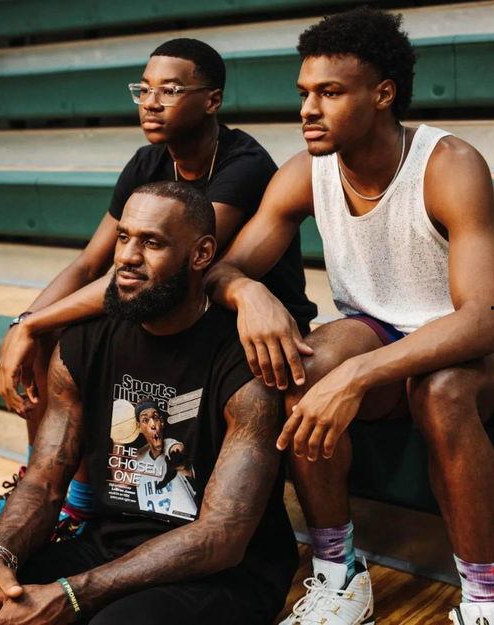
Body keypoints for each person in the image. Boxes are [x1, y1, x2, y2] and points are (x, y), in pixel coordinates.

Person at [203, 7, 494, 625]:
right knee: (303, 368)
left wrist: (357, 376)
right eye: (304, 93)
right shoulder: (305, 172)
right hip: (380, 332)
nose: (308, 109)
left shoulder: (448, 164)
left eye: (329, 93)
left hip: (464, 347)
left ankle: (484, 596)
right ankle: (339, 574)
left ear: (382, 94)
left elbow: (481, 320)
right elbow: (225, 270)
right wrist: (250, 294)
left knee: (440, 392)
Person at [0, 37, 315, 521]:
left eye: (169, 90)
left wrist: (33, 322)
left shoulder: (244, 166)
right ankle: (56, 496)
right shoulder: (148, 162)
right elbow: (89, 264)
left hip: (240, 321)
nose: (150, 102)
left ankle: (77, 505)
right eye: (143, 89)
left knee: (50, 326)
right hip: (172, 307)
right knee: (52, 335)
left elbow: (168, 267)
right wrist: (27, 324)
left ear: (212, 100)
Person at [0, 181, 298, 625]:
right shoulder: (84, 342)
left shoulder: (244, 360)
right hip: (108, 549)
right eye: (123, 237)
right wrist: (2, 556)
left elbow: (222, 537)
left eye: (152, 243)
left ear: (200, 254)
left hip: (221, 575)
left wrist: (74, 595)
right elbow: (43, 482)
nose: (127, 257)